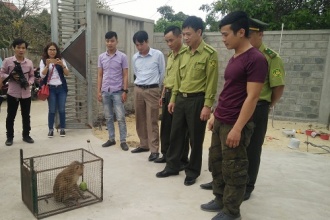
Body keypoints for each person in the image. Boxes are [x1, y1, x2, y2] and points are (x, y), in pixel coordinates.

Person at [199, 19, 286, 201]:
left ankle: (246, 186)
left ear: (243, 33)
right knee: (221, 156)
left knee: (249, 151)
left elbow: (273, 89)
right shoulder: (236, 56)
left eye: (225, 34)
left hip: (257, 107)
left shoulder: (264, 58)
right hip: (232, 112)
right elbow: (229, 89)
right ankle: (222, 188)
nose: (223, 39)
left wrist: (269, 105)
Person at [156, 16, 219, 186]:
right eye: (183, 34)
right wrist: (173, 99)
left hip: (197, 101)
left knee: (195, 138)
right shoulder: (182, 54)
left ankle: (192, 171)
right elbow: (178, 79)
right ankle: (172, 166)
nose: (185, 38)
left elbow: (211, 83)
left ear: (199, 32)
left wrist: (207, 106)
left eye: (188, 34)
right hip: (181, 100)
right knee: (176, 134)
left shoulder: (210, 54)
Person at [154, 25, 190, 167]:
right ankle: (166, 154)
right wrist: (163, 95)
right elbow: (168, 77)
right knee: (166, 127)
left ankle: (182, 159)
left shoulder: (187, 54)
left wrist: (174, 98)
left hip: (180, 96)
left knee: (180, 129)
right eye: (167, 41)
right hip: (168, 94)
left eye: (171, 40)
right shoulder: (170, 56)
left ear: (180, 37)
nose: (169, 44)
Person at [131, 30, 165, 161]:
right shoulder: (135, 57)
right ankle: (143, 144)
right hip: (138, 89)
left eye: (141, 44)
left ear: (147, 42)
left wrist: (156, 88)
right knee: (140, 118)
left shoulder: (158, 55)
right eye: (137, 45)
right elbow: (136, 72)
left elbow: (162, 73)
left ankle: (154, 150)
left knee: (152, 120)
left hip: (152, 90)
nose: (139, 47)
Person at [97, 31, 129, 151]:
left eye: (112, 41)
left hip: (117, 92)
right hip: (105, 91)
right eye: (107, 41)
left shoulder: (122, 57)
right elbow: (100, 75)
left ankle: (123, 140)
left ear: (117, 41)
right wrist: (98, 91)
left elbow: (125, 75)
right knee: (108, 117)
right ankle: (111, 139)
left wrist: (125, 91)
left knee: (120, 117)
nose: (109, 43)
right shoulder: (101, 57)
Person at [0, 38, 35, 146]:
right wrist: (10, 76)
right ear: (14, 48)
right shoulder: (8, 61)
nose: (21, 50)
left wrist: (29, 83)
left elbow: (32, 76)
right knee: (11, 116)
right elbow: (1, 73)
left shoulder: (29, 62)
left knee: (26, 116)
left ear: (25, 49)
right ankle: (9, 137)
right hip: (12, 93)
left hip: (26, 94)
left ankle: (26, 135)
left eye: (23, 48)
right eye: (18, 47)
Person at [39, 42, 69, 138]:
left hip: (61, 88)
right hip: (50, 88)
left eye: (54, 50)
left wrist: (62, 65)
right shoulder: (43, 61)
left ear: (57, 51)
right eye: (50, 50)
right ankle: (50, 130)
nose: (52, 52)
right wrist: (47, 66)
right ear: (47, 51)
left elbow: (67, 73)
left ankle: (62, 129)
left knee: (62, 109)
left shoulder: (61, 60)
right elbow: (42, 75)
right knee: (52, 110)